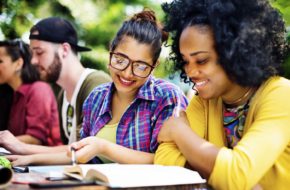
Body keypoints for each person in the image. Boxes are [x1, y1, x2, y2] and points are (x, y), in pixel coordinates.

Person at [7, 9, 188, 166]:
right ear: (111, 52)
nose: (127, 73)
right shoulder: (97, 97)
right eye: (120, 60)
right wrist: (29, 159)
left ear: (154, 66)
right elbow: (79, 153)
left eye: (141, 66)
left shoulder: (166, 97)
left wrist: (105, 147)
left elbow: (168, 161)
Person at [154, 0, 290, 189]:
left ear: (235, 52)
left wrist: (179, 131)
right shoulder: (204, 101)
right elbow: (165, 161)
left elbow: (236, 175)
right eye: (185, 61)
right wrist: (221, 173)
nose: (190, 72)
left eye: (201, 60)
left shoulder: (281, 94)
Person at [0, 17, 111, 154]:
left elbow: (85, 151)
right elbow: (69, 151)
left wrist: (22, 148)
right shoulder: (62, 96)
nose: (33, 61)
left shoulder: (96, 84)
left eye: (39, 52)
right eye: (32, 54)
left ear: (64, 50)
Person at [0, 39, 62, 146]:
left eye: (0, 61)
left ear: (18, 64)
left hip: (49, 161)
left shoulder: (39, 89)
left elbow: (35, 138)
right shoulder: (14, 94)